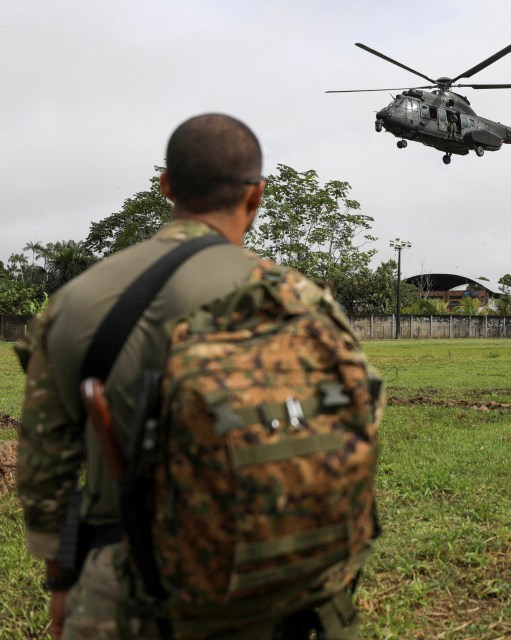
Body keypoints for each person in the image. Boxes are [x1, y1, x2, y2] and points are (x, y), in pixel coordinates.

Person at [16, 113, 375, 639]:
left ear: (165, 187)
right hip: (284, 595)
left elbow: (45, 471)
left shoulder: (74, 304)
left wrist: (63, 583)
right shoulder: (301, 299)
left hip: (128, 592)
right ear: (256, 195)